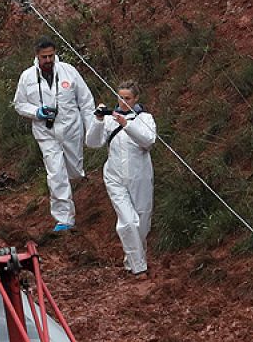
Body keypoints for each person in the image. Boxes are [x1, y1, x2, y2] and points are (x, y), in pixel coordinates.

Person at [13, 37, 95, 232]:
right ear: (37, 56)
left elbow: (85, 101)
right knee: (56, 173)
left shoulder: (69, 72)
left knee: (74, 170)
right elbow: (19, 104)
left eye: (51, 56)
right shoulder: (27, 77)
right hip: (46, 132)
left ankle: (75, 189)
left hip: (71, 129)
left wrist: (92, 129)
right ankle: (64, 218)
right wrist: (36, 112)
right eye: (44, 57)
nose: (48, 60)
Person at [86, 82, 156, 276]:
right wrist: (98, 120)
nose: (123, 102)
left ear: (136, 99)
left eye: (128, 98)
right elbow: (92, 142)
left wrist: (127, 125)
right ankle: (139, 267)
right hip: (115, 176)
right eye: (120, 98)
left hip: (140, 175)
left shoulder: (145, 118)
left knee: (142, 222)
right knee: (128, 222)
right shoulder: (109, 120)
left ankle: (131, 260)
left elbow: (148, 141)